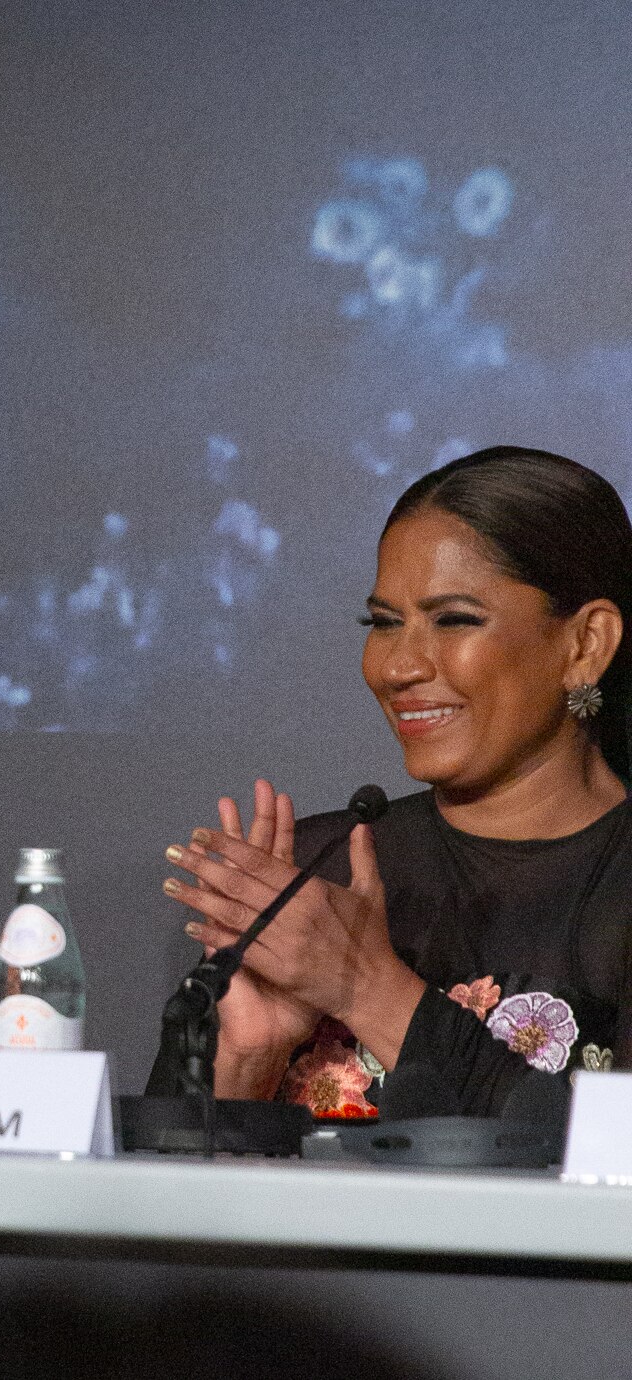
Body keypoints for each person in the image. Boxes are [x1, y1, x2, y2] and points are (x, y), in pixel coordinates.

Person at [162, 446, 632, 1117]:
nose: (397, 667)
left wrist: (366, 988)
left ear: (586, 644)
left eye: (454, 619)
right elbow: (144, 1177)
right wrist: (246, 1060)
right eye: (383, 624)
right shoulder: (314, 876)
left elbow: (606, 1162)